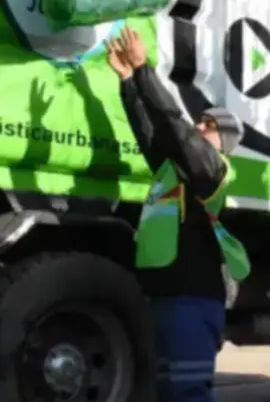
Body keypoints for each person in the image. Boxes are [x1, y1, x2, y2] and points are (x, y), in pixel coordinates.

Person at [104, 26, 250, 402]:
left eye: (209, 126)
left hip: (192, 298)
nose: (199, 125)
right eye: (200, 121)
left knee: (186, 392)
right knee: (164, 391)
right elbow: (151, 134)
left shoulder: (213, 169)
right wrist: (128, 83)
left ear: (224, 142)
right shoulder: (176, 172)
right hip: (165, 293)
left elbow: (175, 125)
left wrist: (144, 70)